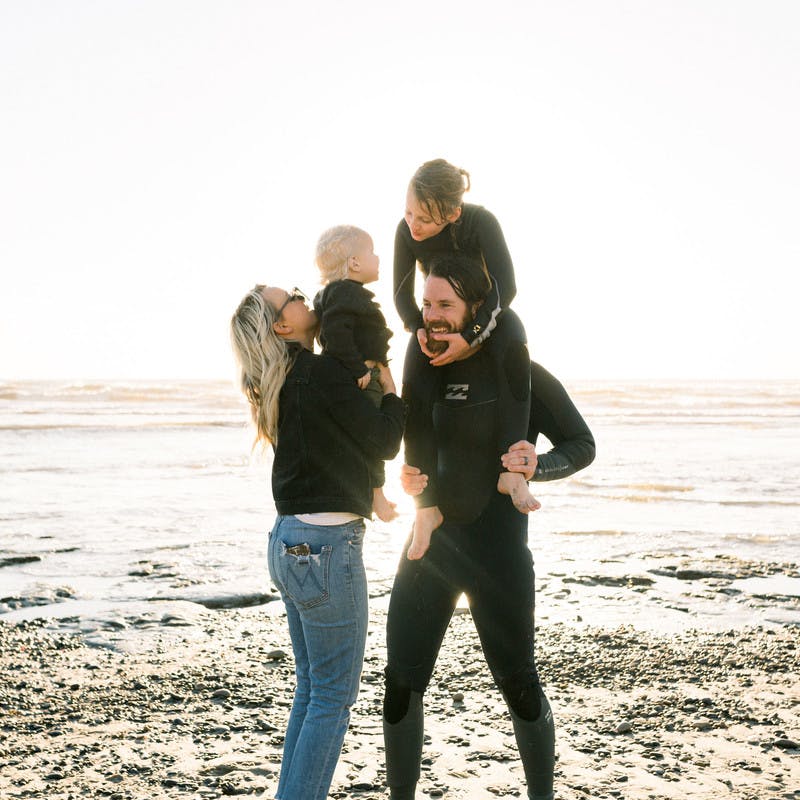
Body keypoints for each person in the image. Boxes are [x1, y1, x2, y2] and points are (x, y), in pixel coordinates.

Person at [382, 255, 595, 800]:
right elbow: (398, 440)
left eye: (445, 305)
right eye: (427, 304)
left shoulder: (521, 377)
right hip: (429, 550)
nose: (432, 316)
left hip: (498, 553)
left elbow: (582, 445)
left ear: (477, 309)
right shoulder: (424, 373)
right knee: (400, 685)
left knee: (520, 686)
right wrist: (404, 477)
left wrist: (536, 465)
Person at [230, 284, 405, 800]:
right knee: (331, 697)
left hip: (287, 542)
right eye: (297, 299)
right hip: (327, 547)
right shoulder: (320, 373)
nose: (309, 303)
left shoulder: (281, 381)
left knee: (312, 690)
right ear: (283, 326)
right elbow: (385, 441)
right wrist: (391, 390)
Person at [393, 158, 537, 551]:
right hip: (441, 319)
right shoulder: (405, 234)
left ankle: (512, 474)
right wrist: (421, 330)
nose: (413, 224)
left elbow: (505, 287)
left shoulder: (480, 223)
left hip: (484, 316)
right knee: (414, 378)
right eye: (408, 212)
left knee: (514, 331)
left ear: (453, 213)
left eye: (424, 217)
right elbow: (401, 296)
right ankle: (425, 507)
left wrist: (473, 336)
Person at [313, 225, 397, 522]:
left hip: (359, 373)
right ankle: (377, 495)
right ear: (354, 263)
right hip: (362, 377)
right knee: (375, 438)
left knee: (360, 439)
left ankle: (371, 493)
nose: (378, 257)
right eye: (371, 251)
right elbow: (336, 334)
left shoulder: (337, 294)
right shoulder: (345, 293)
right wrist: (358, 368)